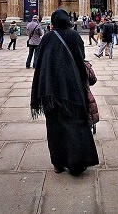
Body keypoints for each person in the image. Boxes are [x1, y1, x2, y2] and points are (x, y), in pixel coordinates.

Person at [31, 9, 99, 176]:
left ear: (53, 22)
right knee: (75, 123)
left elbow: (39, 63)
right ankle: (77, 162)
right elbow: (80, 58)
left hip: (50, 91)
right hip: (71, 88)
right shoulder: (74, 36)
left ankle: (58, 163)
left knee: (54, 126)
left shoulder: (47, 37)